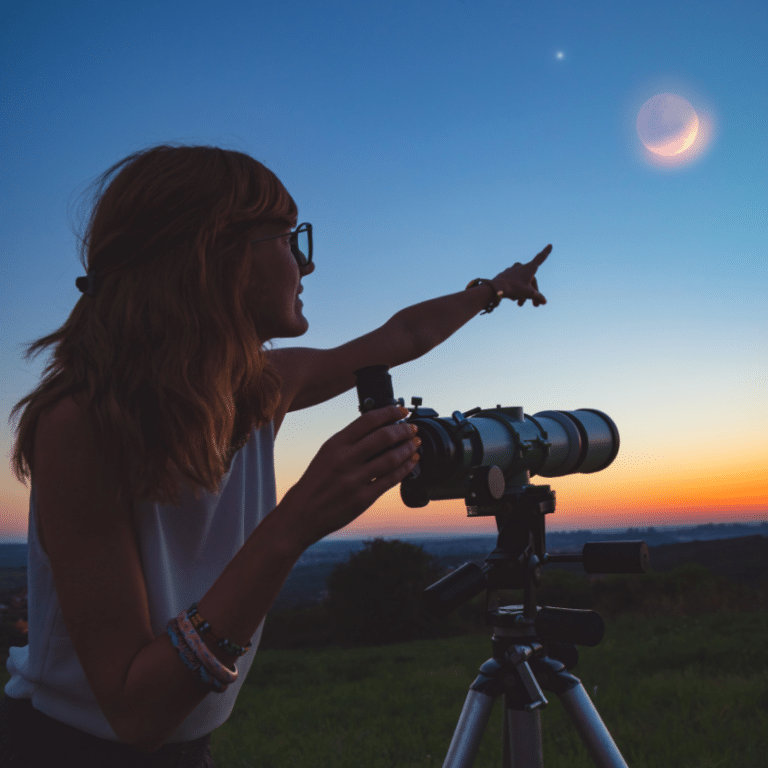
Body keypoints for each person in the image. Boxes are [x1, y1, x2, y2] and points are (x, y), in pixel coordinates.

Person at [1, 144, 550, 766]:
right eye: (289, 239)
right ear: (215, 256)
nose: (304, 267)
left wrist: (493, 291)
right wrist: (297, 521)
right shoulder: (81, 424)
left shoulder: (261, 388)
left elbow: (403, 337)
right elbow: (135, 710)